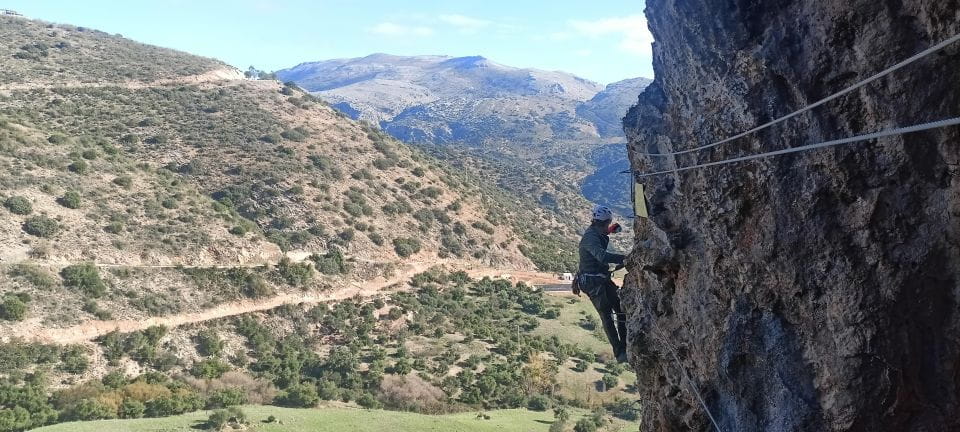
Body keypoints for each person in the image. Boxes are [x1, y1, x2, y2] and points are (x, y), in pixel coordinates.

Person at [574, 205, 628, 363]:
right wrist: (624, 258)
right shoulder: (590, 238)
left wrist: (612, 229)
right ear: (602, 223)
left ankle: (625, 345)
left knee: (621, 308)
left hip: (600, 278)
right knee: (607, 316)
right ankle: (620, 353)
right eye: (608, 224)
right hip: (592, 282)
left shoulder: (597, 231)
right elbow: (602, 257)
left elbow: (603, 233)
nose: (608, 227)